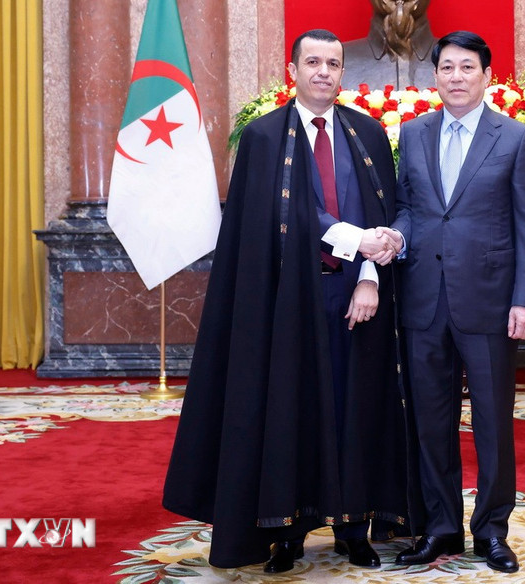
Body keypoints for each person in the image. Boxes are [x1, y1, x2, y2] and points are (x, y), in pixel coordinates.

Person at [162, 29, 409, 573]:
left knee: (354, 409)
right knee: (290, 410)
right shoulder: (263, 137)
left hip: (357, 297)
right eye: (313, 62)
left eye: (333, 64)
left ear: (343, 73)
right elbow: (279, 218)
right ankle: (288, 533)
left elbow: (384, 215)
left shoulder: (369, 133)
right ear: (292, 70)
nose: (323, 72)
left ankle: (353, 530)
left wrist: (369, 277)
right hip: (285, 302)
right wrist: (355, 239)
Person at [383, 31, 525, 573]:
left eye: (467, 67)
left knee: (493, 424)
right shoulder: (413, 133)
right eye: (447, 67)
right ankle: (441, 527)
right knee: (430, 422)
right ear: (435, 76)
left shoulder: (514, 137)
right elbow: (409, 208)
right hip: (423, 301)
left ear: (486, 76)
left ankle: (492, 531)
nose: (456, 76)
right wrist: (396, 237)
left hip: (491, 302)